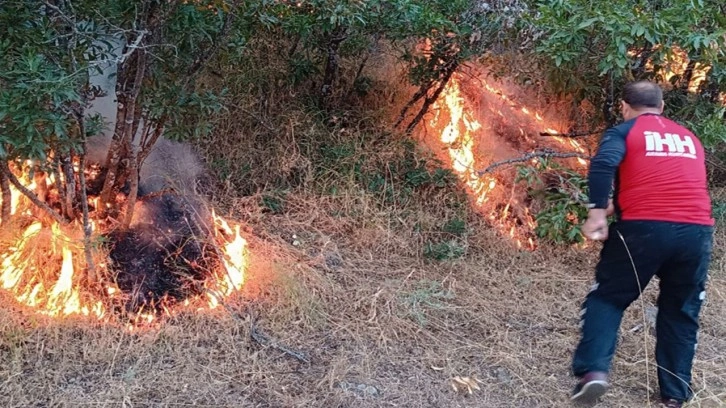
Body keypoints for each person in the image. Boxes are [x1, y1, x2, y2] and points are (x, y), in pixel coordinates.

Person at [570, 81, 714, 407]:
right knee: (680, 313)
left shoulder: (624, 132)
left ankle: (592, 373)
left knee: (607, 298)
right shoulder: (689, 138)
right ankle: (674, 396)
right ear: (662, 107)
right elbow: (667, 185)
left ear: (624, 106)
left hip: (644, 231)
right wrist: (617, 205)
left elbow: (605, 163)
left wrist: (596, 213)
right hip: (696, 233)